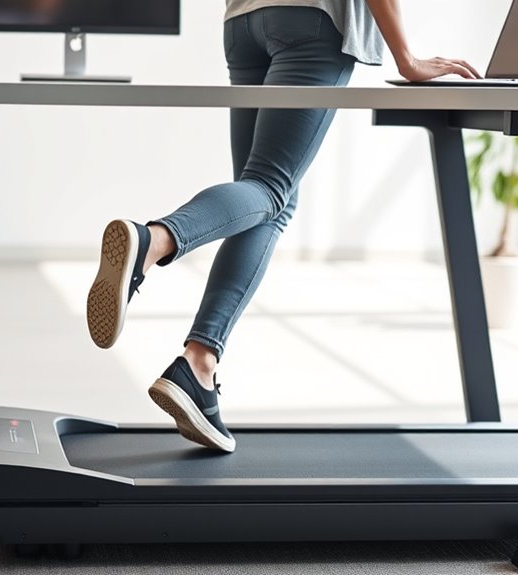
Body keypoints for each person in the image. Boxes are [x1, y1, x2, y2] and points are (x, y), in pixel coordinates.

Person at [86, 0, 479, 453]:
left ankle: (199, 364)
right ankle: (154, 240)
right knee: (271, 189)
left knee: (263, 199)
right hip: (310, 23)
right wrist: (406, 59)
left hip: (242, 22)